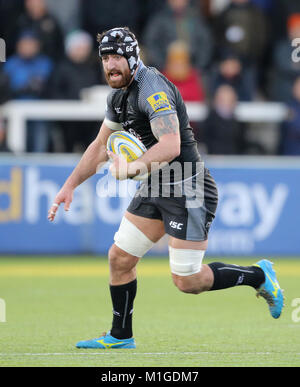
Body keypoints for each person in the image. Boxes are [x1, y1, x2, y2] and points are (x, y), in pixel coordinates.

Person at [48, 27, 284, 349]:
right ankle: (121, 336)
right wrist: (69, 185)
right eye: (105, 58)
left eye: (117, 56)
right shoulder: (118, 95)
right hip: (156, 184)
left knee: (187, 281)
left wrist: (129, 168)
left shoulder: (151, 89)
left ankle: (258, 275)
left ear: (133, 57)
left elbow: (171, 145)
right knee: (119, 258)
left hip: (188, 185)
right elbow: (101, 145)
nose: (110, 65)